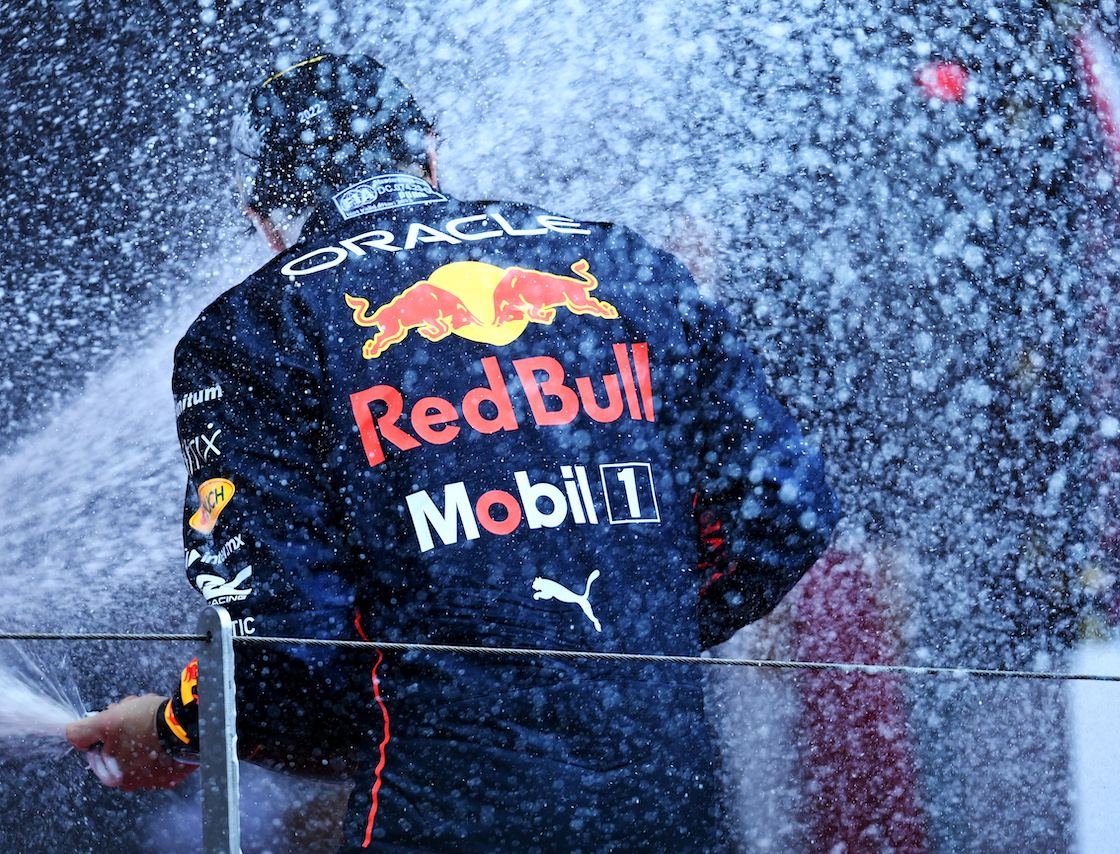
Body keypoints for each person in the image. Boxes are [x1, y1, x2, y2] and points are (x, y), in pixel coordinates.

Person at [67, 53, 840, 852]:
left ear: (262, 214)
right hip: (671, 812)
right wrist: (625, 641)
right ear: (429, 156)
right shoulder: (624, 266)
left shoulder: (259, 329)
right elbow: (782, 512)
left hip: (442, 817)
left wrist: (171, 729)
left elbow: (285, 645)